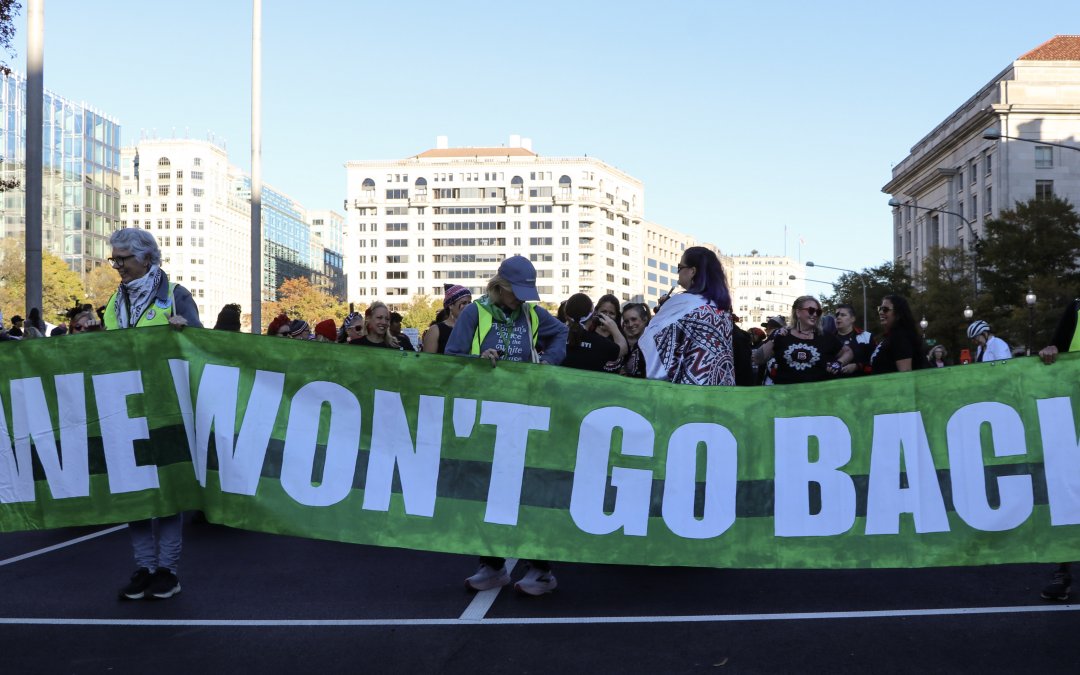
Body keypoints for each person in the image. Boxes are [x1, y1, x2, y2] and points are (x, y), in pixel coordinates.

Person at [445, 255, 567, 596]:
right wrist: (477, 361)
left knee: (530, 492)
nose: (523, 299)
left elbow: (561, 334)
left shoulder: (531, 314)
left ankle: (541, 570)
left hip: (526, 415)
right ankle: (493, 566)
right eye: (519, 291)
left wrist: (549, 362)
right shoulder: (475, 313)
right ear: (501, 287)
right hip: (487, 418)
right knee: (488, 493)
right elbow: (452, 356)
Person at [104, 227, 201, 601]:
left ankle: (167, 571)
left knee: (168, 493)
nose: (118, 266)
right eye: (115, 259)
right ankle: (144, 567)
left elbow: (201, 345)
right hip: (126, 409)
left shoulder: (175, 297)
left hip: (166, 408)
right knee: (136, 493)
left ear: (147, 257)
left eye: (123, 259)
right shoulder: (115, 302)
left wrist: (185, 330)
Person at [1035, 296, 1080, 601]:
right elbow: (1056, 347)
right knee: (1070, 490)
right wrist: (1050, 351)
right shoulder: (1076, 307)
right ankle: (1062, 571)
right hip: (1075, 411)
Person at [639, 246, 736, 386]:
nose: (678, 272)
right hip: (718, 390)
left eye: (680, 267)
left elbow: (649, 341)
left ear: (692, 271)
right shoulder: (722, 311)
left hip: (688, 392)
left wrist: (663, 311)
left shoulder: (682, 303)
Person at [752, 296, 854, 384]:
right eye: (810, 310)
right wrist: (773, 338)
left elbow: (848, 352)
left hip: (817, 399)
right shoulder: (781, 335)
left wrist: (839, 363)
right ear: (798, 312)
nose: (814, 314)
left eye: (818, 312)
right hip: (786, 398)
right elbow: (758, 359)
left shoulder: (825, 336)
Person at [562, 293, 621, 371]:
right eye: (604, 312)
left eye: (611, 313)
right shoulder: (600, 343)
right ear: (593, 313)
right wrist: (614, 329)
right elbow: (621, 349)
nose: (607, 316)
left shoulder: (558, 337)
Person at [869, 294, 924, 374]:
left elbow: (906, 375)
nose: (880, 312)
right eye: (880, 309)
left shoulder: (900, 337)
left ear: (898, 314)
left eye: (885, 309)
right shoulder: (890, 336)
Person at [422, 284, 472, 354]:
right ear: (451, 305)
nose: (467, 307)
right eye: (463, 303)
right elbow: (428, 360)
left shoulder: (472, 328)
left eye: (469, 303)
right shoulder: (436, 330)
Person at [833, 303, 873, 376]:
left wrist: (857, 366)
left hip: (862, 383)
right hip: (835, 384)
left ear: (852, 319)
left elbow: (876, 362)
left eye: (843, 315)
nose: (838, 317)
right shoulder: (828, 339)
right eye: (837, 315)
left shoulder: (866, 337)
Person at [620, 302, 651, 378]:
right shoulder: (629, 344)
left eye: (634, 319)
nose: (630, 324)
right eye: (626, 321)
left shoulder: (653, 342)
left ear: (645, 319)